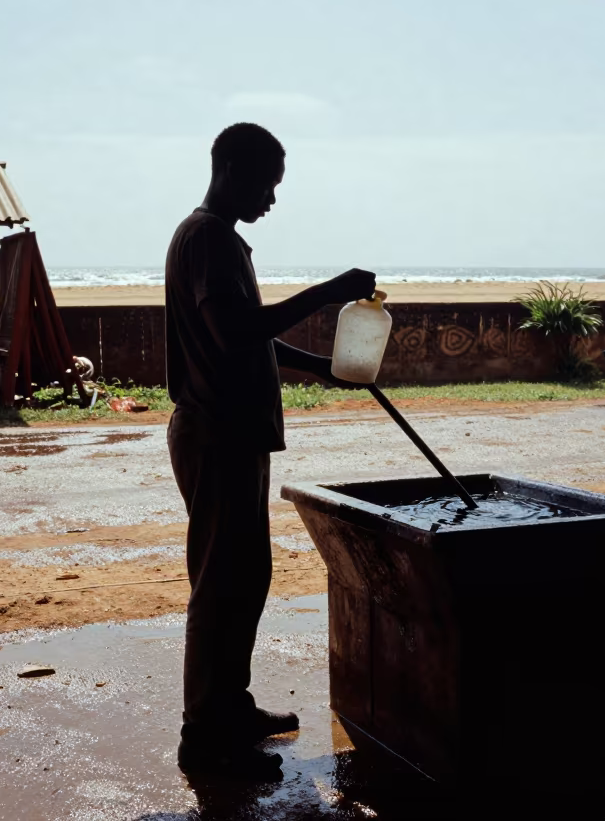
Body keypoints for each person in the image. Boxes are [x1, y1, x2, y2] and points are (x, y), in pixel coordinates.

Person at [164, 123, 376, 780]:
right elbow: (234, 333)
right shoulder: (206, 240)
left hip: (235, 437)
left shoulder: (221, 242)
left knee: (244, 578)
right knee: (221, 586)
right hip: (217, 437)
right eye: (267, 184)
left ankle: (232, 707)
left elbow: (250, 338)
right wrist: (327, 292)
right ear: (231, 169)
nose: (271, 200)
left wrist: (327, 366)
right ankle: (206, 736)